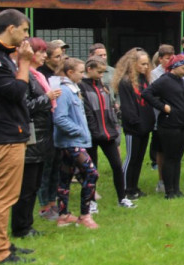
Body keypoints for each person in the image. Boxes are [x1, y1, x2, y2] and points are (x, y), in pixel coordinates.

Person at [0, 8, 36, 264]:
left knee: (9, 194)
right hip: (5, 134)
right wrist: (24, 63)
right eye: (24, 30)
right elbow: (15, 92)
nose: (26, 37)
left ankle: (3, 245)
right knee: (3, 197)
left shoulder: (0, 56)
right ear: (11, 29)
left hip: (13, 132)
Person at [10, 38, 59, 239]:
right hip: (32, 137)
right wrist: (47, 98)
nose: (44, 56)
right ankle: (21, 227)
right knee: (27, 186)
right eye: (40, 51)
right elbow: (24, 106)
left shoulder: (38, 76)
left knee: (35, 183)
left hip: (43, 136)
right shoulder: (24, 77)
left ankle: (27, 225)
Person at [79, 57, 136, 209]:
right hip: (92, 135)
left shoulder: (102, 85)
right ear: (89, 69)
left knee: (117, 166)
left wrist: (115, 126)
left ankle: (122, 198)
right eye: (98, 72)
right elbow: (87, 112)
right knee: (92, 169)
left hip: (108, 133)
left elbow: (110, 107)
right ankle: (90, 201)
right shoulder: (81, 87)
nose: (101, 75)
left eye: (103, 72)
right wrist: (94, 131)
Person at [53, 57, 100, 229]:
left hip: (74, 141)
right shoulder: (64, 91)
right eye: (80, 72)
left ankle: (63, 215)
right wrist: (78, 130)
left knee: (65, 177)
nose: (83, 75)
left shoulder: (73, 89)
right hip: (71, 142)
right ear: (70, 72)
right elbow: (60, 118)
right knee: (92, 173)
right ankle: (85, 215)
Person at [143, 54, 184, 198]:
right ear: (175, 67)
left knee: (177, 158)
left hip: (183, 123)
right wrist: (163, 106)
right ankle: (169, 191)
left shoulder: (181, 80)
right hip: (169, 125)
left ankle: (177, 189)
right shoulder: (164, 80)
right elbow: (147, 93)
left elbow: (183, 100)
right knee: (170, 158)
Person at [114, 48, 155, 200]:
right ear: (133, 64)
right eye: (143, 64)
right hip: (134, 128)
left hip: (145, 126)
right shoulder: (126, 82)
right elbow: (128, 107)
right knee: (131, 158)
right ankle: (124, 188)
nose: (146, 67)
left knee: (139, 159)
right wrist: (136, 122)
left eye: (147, 64)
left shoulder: (144, 80)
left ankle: (134, 187)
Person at [36, 40, 65, 221]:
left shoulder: (59, 74)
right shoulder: (40, 75)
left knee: (57, 165)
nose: (60, 59)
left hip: (57, 123)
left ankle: (53, 202)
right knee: (46, 167)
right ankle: (44, 205)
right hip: (45, 124)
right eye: (57, 56)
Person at [150, 44, 174, 192]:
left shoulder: (175, 71)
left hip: (174, 117)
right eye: (167, 58)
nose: (170, 61)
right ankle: (161, 180)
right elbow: (152, 95)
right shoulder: (154, 74)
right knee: (161, 150)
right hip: (160, 116)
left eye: (172, 58)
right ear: (160, 59)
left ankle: (171, 180)